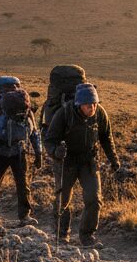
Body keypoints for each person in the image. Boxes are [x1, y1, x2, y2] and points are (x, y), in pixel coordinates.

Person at [44, 83, 121, 248]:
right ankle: (61, 234)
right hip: (66, 162)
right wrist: (56, 151)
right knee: (62, 199)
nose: (92, 108)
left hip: (89, 161)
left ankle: (87, 236)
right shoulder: (64, 114)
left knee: (94, 198)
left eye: (94, 104)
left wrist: (113, 159)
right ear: (79, 105)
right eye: (88, 105)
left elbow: (106, 137)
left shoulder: (100, 114)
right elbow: (49, 139)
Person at [0, 88, 42, 226]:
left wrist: (39, 153)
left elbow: (34, 134)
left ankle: (25, 216)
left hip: (19, 151)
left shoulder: (27, 112)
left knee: (23, 184)